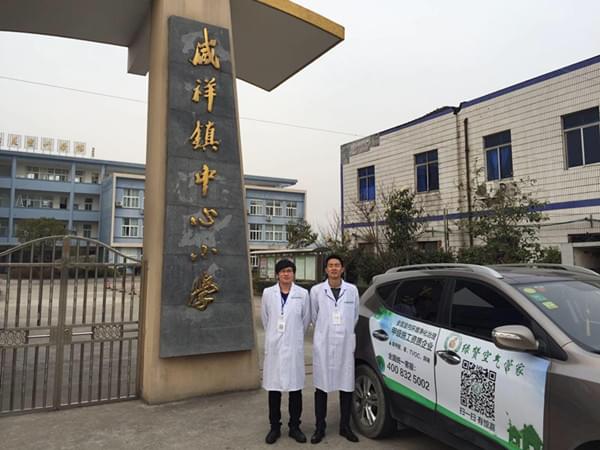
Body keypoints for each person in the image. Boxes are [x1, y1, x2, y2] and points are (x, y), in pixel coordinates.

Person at [309, 254, 360, 444]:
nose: (334, 268)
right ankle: (319, 428)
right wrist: (327, 330)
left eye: (337, 265)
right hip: (324, 344)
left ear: (342, 269)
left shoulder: (352, 290)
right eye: (330, 265)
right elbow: (314, 316)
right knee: (321, 387)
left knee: (346, 386)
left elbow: (355, 316)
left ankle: (345, 426)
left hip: (345, 345)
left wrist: (342, 331)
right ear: (325, 269)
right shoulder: (316, 291)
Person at [261, 259, 311, 444]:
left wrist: (293, 336)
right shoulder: (268, 293)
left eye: (289, 270)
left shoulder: (303, 294)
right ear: (277, 274)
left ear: (293, 273)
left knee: (295, 389)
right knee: (274, 390)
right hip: (275, 347)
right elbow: (266, 319)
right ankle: (274, 427)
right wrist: (276, 335)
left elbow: (305, 320)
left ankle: (294, 427)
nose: (286, 274)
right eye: (282, 271)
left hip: (293, 347)